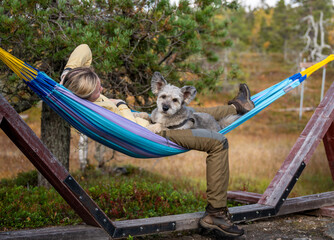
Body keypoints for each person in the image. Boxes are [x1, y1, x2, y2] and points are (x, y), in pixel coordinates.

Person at [61, 44, 255, 237]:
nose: (102, 88)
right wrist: (121, 104)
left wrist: (68, 73)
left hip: (146, 122)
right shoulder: (99, 109)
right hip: (153, 133)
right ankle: (216, 214)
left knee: (191, 112)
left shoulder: (78, 92)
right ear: (88, 92)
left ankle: (237, 107)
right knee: (218, 142)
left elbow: (85, 48)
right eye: (98, 88)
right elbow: (132, 127)